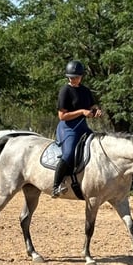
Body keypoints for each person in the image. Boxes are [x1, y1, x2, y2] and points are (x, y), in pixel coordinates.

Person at [52, 60, 103, 197]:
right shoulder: (65, 91)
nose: (74, 79)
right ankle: (56, 185)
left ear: (81, 76)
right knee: (68, 154)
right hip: (68, 128)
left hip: (82, 127)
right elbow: (62, 116)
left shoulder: (85, 91)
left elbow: (92, 106)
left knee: (98, 144)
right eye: (71, 77)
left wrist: (96, 110)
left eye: (77, 77)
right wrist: (81, 112)